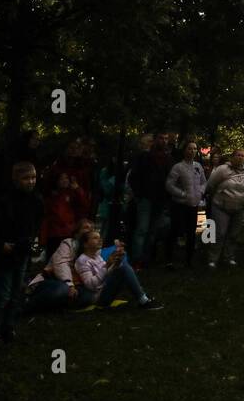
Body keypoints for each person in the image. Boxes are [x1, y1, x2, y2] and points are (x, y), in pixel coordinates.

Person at [0, 161, 44, 346]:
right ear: (15, 179)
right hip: (6, 252)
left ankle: (8, 327)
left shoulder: (36, 200)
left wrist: (31, 239)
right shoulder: (4, 201)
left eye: (33, 177)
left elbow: (37, 222)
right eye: (26, 178)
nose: (31, 182)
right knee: (2, 294)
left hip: (22, 251)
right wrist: (1, 245)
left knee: (17, 292)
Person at [74, 230, 159, 309]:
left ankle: (142, 296)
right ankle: (143, 300)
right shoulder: (82, 260)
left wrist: (116, 263)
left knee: (122, 266)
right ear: (85, 244)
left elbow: (107, 273)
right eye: (95, 238)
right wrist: (107, 265)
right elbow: (91, 285)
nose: (100, 240)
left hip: (105, 289)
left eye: (100, 237)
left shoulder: (97, 256)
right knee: (124, 268)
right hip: (98, 298)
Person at [26, 218, 97, 311]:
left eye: (92, 228)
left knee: (90, 296)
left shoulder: (91, 251)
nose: (90, 230)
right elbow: (61, 264)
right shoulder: (68, 243)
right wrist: (70, 285)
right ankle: (27, 304)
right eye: (86, 227)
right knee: (63, 289)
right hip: (52, 281)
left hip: (76, 286)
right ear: (77, 233)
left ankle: (59, 305)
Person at [128, 132, 173, 267]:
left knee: (153, 230)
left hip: (160, 199)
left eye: (166, 138)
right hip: (146, 198)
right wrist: (139, 194)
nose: (164, 141)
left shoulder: (168, 159)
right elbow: (133, 177)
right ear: (155, 140)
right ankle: (136, 259)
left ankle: (146, 258)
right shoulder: (144, 157)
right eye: (161, 138)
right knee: (142, 229)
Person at [205, 149, 244, 268]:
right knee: (219, 233)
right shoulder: (222, 169)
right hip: (221, 206)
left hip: (239, 207)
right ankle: (213, 258)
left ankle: (229, 257)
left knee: (234, 234)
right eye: (238, 155)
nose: (240, 158)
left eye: (242, 156)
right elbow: (210, 184)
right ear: (232, 157)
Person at [164, 141, 206, 269]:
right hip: (180, 205)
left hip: (193, 205)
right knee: (175, 231)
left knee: (191, 232)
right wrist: (182, 194)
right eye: (189, 148)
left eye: (194, 149)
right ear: (184, 151)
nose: (192, 151)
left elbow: (204, 182)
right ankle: (169, 259)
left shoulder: (198, 166)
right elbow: (169, 185)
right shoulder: (178, 167)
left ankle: (189, 260)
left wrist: (200, 192)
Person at [38, 173, 90, 259]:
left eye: (66, 178)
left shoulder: (72, 193)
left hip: (69, 231)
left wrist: (77, 189)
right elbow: (47, 218)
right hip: (54, 234)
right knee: (53, 258)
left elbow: (84, 204)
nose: (65, 180)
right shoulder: (50, 197)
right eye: (61, 179)